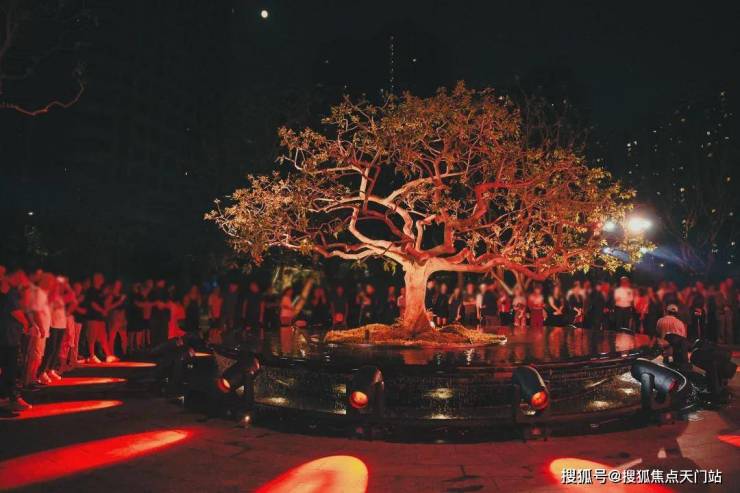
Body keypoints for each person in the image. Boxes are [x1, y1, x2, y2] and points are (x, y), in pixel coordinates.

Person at [0, 269, 32, 411]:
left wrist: (25, 291)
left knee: (8, 368)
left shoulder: (12, 293)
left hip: (10, 335)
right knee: (10, 368)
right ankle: (12, 397)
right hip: (7, 336)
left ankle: (7, 397)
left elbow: (23, 307)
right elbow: (17, 312)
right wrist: (26, 324)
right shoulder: (8, 295)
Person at [25, 273, 53, 384]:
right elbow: (36, 312)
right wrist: (41, 327)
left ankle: (32, 379)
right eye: (50, 281)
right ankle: (28, 380)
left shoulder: (42, 293)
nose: (51, 284)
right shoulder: (38, 293)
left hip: (42, 329)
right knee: (34, 356)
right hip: (38, 330)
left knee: (38, 356)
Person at [39, 276, 66, 381]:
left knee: (56, 349)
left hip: (61, 324)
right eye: (59, 284)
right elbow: (49, 307)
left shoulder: (60, 296)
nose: (61, 286)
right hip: (52, 324)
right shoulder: (48, 294)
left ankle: (51, 369)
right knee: (50, 349)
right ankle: (42, 371)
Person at [84, 273, 113, 363]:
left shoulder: (100, 291)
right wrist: (102, 310)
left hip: (100, 318)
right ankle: (92, 356)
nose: (102, 279)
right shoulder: (91, 290)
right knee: (91, 337)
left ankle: (108, 355)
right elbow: (92, 303)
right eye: (100, 278)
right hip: (93, 317)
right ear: (96, 279)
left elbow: (104, 303)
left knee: (103, 337)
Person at [106, 279, 127, 356]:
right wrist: (119, 302)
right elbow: (107, 307)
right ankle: (111, 354)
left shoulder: (121, 295)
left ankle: (125, 353)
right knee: (112, 336)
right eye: (116, 285)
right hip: (114, 316)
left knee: (124, 337)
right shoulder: (111, 295)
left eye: (119, 285)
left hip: (122, 316)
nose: (118, 286)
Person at [716, 280, 734, 344]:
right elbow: (718, 304)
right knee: (721, 328)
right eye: (722, 286)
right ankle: (721, 342)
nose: (724, 287)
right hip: (721, 313)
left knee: (729, 328)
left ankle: (729, 342)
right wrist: (724, 306)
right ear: (720, 286)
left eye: (724, 286)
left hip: (729, 313)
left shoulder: (728, 293)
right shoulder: (718, 294)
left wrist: (727, 305)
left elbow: (731, 302)